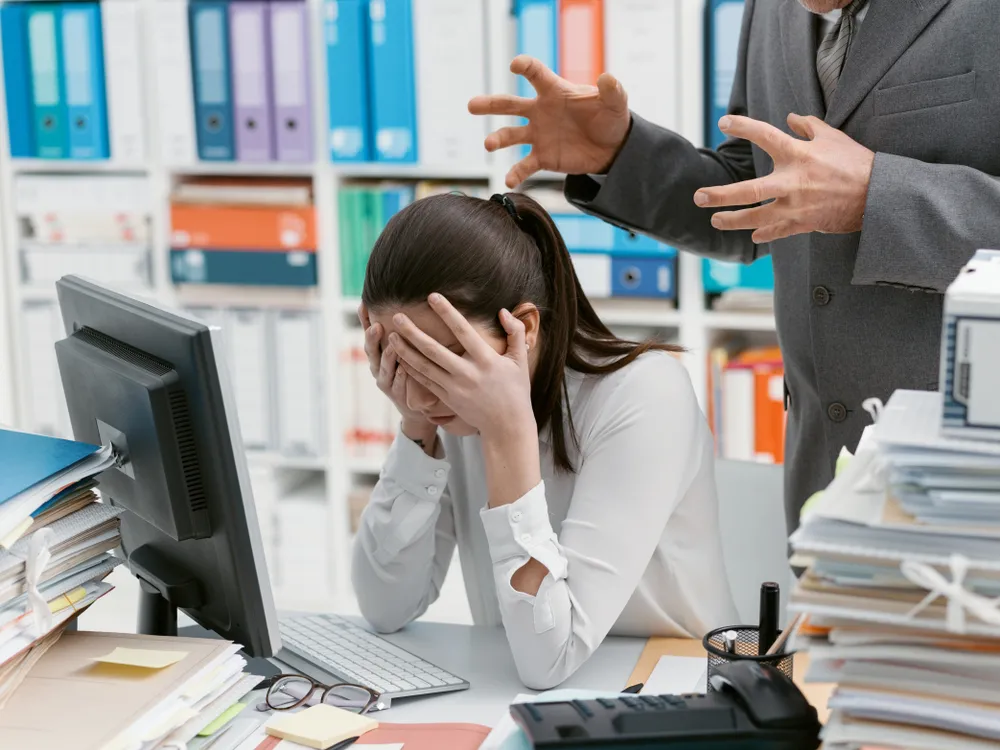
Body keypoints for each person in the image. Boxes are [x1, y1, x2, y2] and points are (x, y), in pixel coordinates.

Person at [469, 0, 998, 534]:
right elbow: (757, 194)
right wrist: (619, 155)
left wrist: (878, 197)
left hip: (971, 482)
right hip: (822, 482)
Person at [351, 191, 738, 689]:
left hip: (676, 693)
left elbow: (551, 658)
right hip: (521, 699)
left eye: (443, 359)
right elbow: (385, 609)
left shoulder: (644, 393)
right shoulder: (450, 410)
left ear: (524, 327)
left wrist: (509, 433)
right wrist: (416, 429)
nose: (424, 391)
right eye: (404, 361)